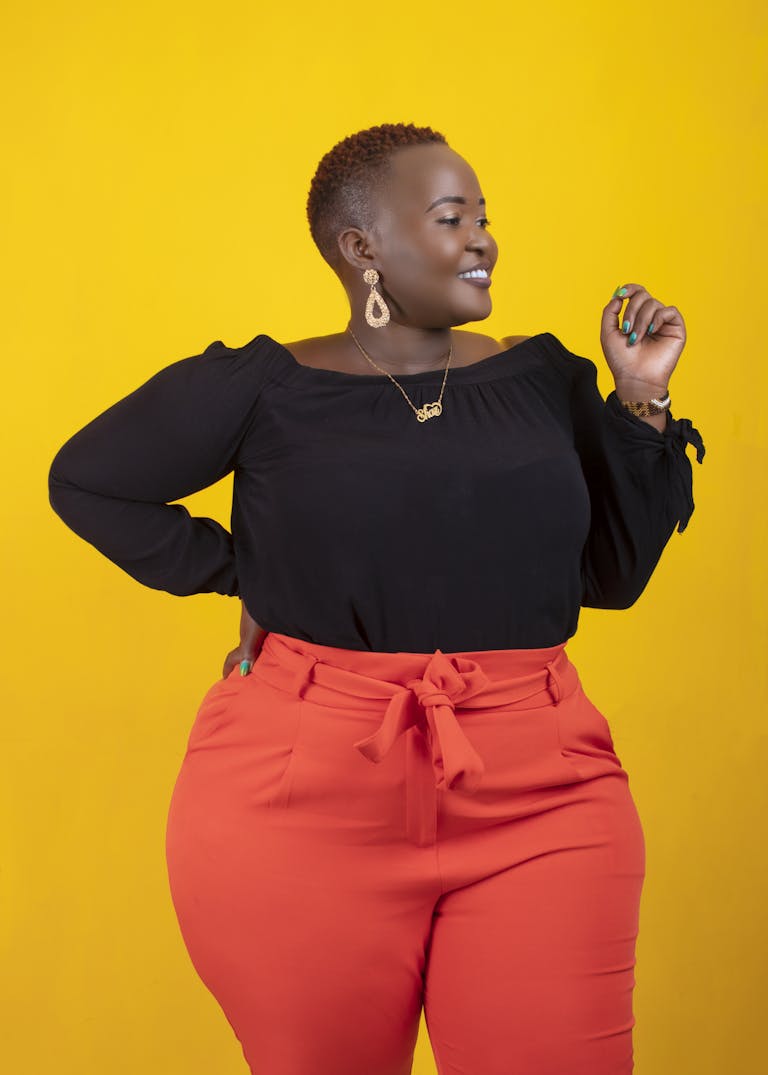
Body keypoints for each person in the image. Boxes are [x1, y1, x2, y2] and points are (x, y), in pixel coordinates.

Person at [47, 122, 706, 1075]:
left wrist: (638, 397)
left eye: (486, 218)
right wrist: (249, 571)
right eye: (452, 218)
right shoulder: (266, 389)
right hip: (298, 794)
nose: (483, 239)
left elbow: (610, 576)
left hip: (542, 788)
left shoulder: (540, 377)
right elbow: (89, 480)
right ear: (363, 249)